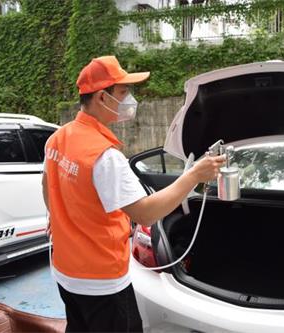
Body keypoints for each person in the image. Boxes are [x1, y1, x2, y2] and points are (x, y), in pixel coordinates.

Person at [42, 55, 226, 333]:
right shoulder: (103, 156)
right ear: (103, 97)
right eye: (124, 92)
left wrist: (56, 219)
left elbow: (47, 184)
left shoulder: (59, 137)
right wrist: (194, 176)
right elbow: (146, 213)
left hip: (65, 272)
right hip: (102, 280)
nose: (130, 99)